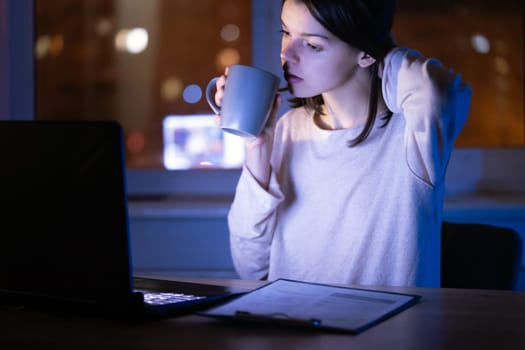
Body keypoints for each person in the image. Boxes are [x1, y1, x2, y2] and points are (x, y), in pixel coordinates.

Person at [213, 0, 471, 287]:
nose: (287, 53)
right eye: (286, 32)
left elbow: (440, 90)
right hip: (293, 324)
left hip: (386, 329)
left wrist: (378, 49)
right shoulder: (288, 129)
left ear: (365, 53)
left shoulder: (412, 131)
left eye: (313, 45)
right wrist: (257, 147)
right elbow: (251, 270)